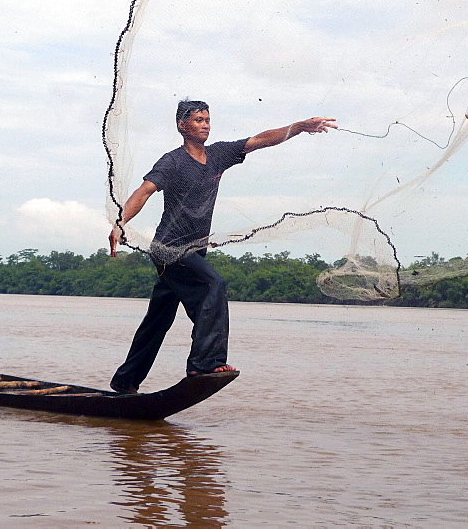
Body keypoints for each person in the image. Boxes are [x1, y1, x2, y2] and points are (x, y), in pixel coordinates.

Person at [108, 99, 336, 393]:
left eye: (207, 119)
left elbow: (260, 140)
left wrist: (302, 127)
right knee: (213, 284)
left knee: (158, 319)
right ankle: (204, 363)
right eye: (198, 120)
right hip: (170, 249)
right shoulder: (172, 161)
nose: (205, 124)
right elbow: (144, 191)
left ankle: (125, 380)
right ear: (182, 125)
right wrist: (119, 223)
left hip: (194, 250)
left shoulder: (217, 155)